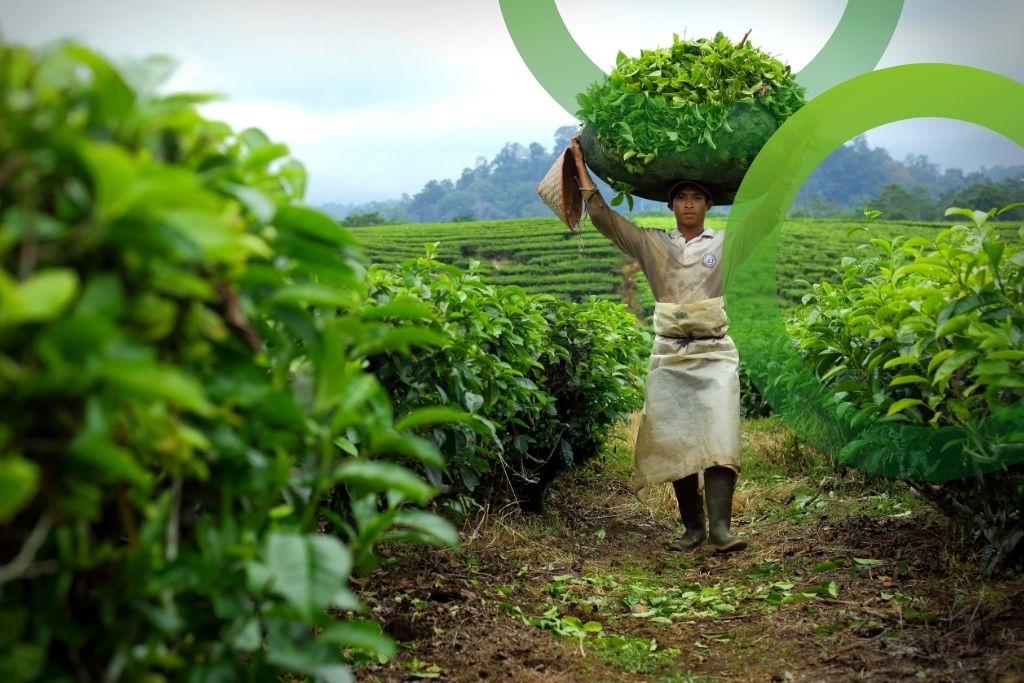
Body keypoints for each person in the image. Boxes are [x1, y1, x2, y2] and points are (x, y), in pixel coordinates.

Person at [569, 136, 747, 553]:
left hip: (715, 350)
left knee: (721, 433)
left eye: (696, 198)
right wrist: (580, 161)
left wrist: (787, 159)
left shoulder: (725, 244)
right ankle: (693, 529)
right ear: (671, 206)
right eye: (681, 198)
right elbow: (601, 215)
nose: (688, 204)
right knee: (674, 437)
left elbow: (768, 214)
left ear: (708, 206)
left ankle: (721, 529)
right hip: (669, 352)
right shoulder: (651, 243)